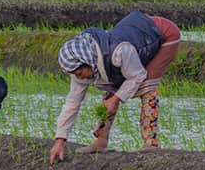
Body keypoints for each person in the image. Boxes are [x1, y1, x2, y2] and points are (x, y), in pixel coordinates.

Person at [48, 11, 181, 161]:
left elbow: (137, 75)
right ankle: (101, 141)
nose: (79, 77)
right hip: (136, 42)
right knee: (110, 90)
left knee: (146, 88)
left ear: (87, 61)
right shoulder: (83, 67)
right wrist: (60, 140)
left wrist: (117, 98)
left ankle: (151, 143)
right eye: (74, 74)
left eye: (79, 72)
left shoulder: (118, 51)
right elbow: (72, 103)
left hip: (163, 35)